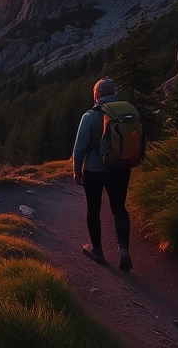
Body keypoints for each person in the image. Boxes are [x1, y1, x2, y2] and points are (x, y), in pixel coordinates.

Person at [72, 78, 133, 271]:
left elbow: (80, 147)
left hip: (94, 170)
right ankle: (123, 249)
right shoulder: (127, 111)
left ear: (96, 95)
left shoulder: (89, 116)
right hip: (121, 169)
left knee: (93, 209)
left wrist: (76, 170)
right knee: (119, 207)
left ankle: (97, 250)